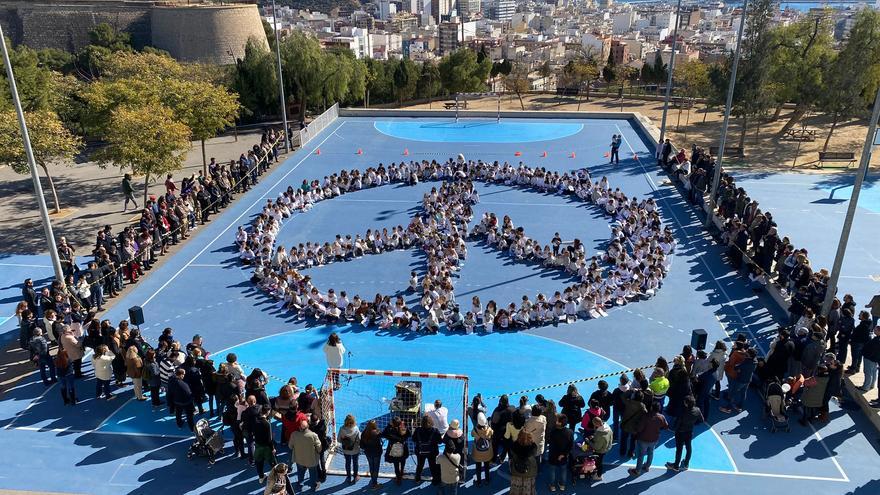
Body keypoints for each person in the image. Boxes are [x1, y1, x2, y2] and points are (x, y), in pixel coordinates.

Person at [665, 395, 703, 472]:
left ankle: (676, 466)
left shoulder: (683, 412)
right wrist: (692, 423)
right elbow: (701, 420)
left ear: (686, 403)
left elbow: (677, 423)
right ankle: (686, 463)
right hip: (689, 431)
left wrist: (675, 429)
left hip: (680, 432)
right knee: (688, 447)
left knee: (679, 449)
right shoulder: (697, 410)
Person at [628, 402, 667, 476]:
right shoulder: (662, 417)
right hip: (654, 439)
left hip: (643, 439)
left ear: (651, 408)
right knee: (651, 452)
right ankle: (647, 467)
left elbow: (639, 429)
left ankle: (637, 471)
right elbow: (665, 426)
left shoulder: (645, 417)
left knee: (641, 454)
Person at [289, 419, 322, 491]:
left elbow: (290, 446)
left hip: (299, 460)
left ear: (299, 427)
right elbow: (319, 448)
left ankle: (300, 483)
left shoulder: (294, 434)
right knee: (313, 474)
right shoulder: (313, 435)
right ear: (308, 426)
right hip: (311, 460)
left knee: (300, 473)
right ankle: (313, 485)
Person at [412, 415, 441, 484]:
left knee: (420, 465)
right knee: (432, 465)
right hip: (432, 452)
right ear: (431, 422)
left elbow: (413, 439)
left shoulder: (418, 430)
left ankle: (417, 479)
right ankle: (435, 480)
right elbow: (440, 441)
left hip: (420, 451)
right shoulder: (435, 430)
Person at [546, 415, 572, 492]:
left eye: (557, 420)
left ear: (559, 423)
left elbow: (551, 444)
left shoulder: (553, 432)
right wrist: (563, 454)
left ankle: (552, 486)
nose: (555, 420)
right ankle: (562, 485)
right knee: (563, 470)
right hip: (563, 456)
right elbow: (570, 445)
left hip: (553, 456)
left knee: (552, 470)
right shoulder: (570, 432)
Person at [382, 416, 410, 485]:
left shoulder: (390, 429)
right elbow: (409, 434)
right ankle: (402, 471)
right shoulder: (403, 428)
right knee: (403, 460)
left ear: (393, 423)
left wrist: (389, 425)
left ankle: (398, 478)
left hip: (393, 448)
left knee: (396, 464)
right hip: (403, 447)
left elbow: (383, 434)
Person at [509, 430, 538, 495]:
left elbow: (511, 454)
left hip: (516, 470)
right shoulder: (533, 447)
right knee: (528, 487)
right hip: (530, 472)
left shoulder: (514, 445)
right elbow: (535, 454)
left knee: (516, 486)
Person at [254, 407, 278, 484]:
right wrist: (273, 448)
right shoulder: (267, 424)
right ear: (267, 412)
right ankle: (277, 477)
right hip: (266, 448)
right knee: (272, 462)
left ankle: (261, 477)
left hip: (258, 446)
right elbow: (269, 439)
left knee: (259, 462)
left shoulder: (256, 421)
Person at [584, 416, 612, 481]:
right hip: (607, 446)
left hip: (601, 450)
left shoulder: (600, 435)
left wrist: (588, 441)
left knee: (599, 463)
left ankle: (599, 475)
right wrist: (594, 437)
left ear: (596, 424)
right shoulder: (607, 426)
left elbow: (596, 447)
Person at [471, 412, 494, 486]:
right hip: (487, 451)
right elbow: (492, 433)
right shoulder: (489, 429)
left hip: (477, 452)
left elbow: (471, 434)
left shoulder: (475, 430)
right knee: (486, 467)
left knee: (478, 467)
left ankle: (479, 482)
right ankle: (487, 480)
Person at [338, 414, 361, 484]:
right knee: (355, 462)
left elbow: (338, 440)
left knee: (347, 462)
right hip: (355, 449)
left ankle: (348, 477)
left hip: (346, 449)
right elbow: (359, 440)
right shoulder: (356, 429)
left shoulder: (342, 429)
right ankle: (355, 476)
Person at [360, 420, 383, 490]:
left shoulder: (364, 433)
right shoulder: (377, 432)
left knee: (371, 466)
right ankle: (374, 483)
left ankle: (373, 479)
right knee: (376, 467)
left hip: (368, 453)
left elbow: (362, 445)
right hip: (376, 453)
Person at [860, 326, 880, 393]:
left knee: (868, 372)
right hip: (875, 359)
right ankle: (871, 385)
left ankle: (865, 387)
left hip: (870, 358)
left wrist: (867, 354)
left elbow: (873, 349)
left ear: (878, 331)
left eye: (875, 330)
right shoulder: (877, 338)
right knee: (873, 372)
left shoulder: (877, 340)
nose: (874, 331)